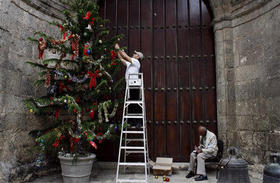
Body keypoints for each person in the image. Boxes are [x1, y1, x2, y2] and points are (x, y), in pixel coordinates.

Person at [115, 43, 144, 127]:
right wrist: (118, 51)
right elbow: (122, 59)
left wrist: (119, 48)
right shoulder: (131, 63)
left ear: (138, 57)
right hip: (130, 86)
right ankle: (132, 122)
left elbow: (125, 57)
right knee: (131, 104)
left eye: (135, 54)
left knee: (135, 103)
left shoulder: (136, 62)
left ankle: (139, 122)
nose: (134, 54)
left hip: (134, 85)